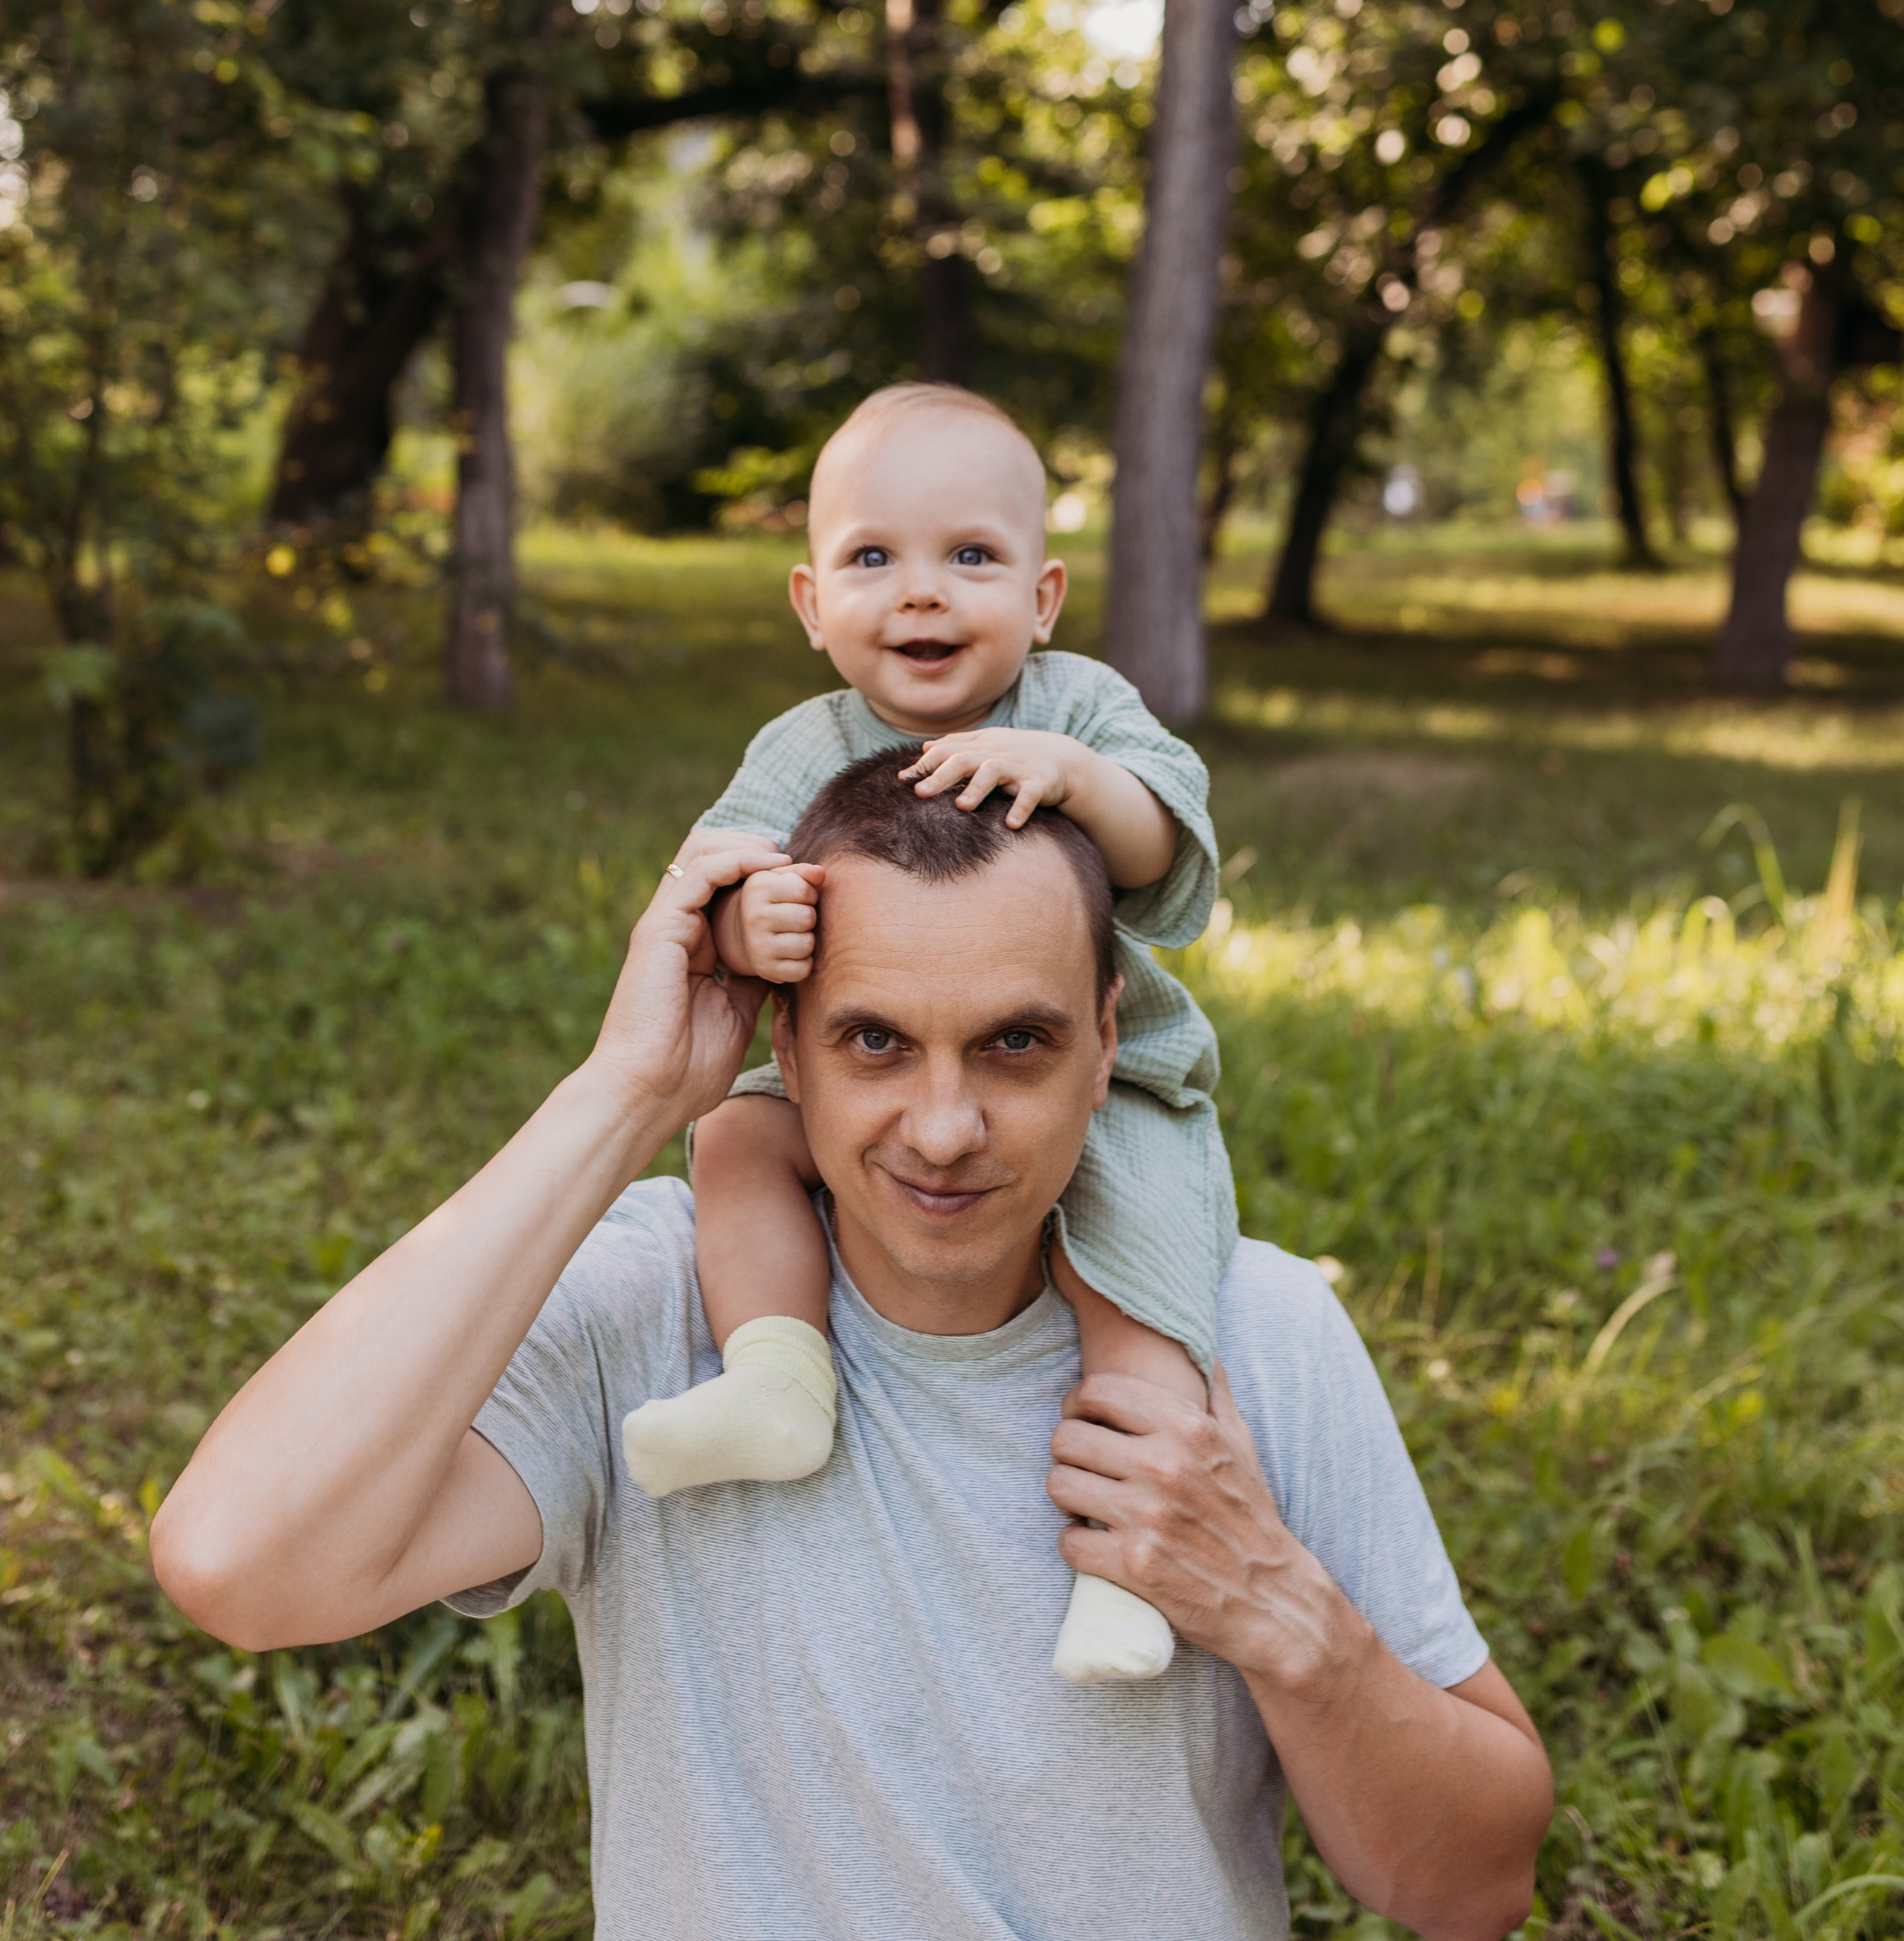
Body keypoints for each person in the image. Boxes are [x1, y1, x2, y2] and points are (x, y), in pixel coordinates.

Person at [151, 764, 1553, 1941]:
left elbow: (1475, 1886)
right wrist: (625, 1088)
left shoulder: (1251, 1331)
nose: (944, 1128)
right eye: (876, 1042)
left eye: (1016, 1044)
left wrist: (1283, 1618)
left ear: (1111, 1039)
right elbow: (244, 1566)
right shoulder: (659, 1300)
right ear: (788, 1048)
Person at [622, 380, 1235, 1684]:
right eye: (872, 559)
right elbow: (714, 879)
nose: (922, 594)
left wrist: (1075, 782)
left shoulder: (1072, 709)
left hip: (1102, 1087)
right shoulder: (806, 749)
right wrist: (749, 931)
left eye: (972, 556)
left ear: (1044, 596)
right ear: (810, 605)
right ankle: (780, 1378)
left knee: (1140, 1298)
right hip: (860, 1080)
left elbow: (1173, 848)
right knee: (733, 1140)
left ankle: (1132, 1567)